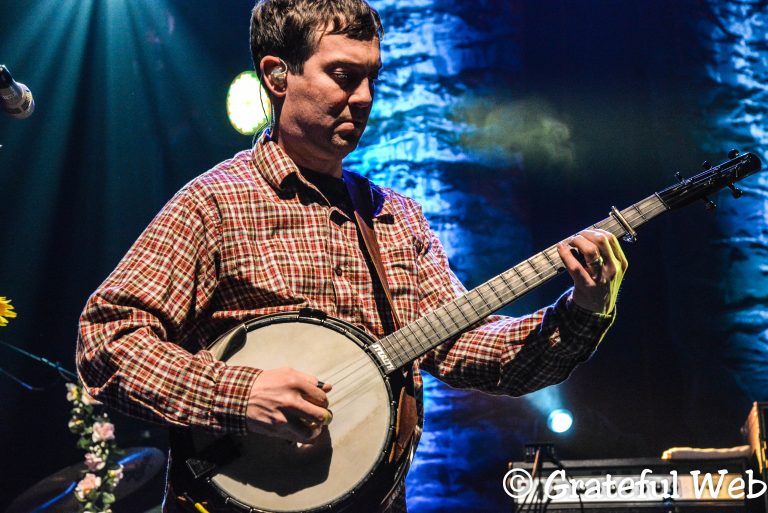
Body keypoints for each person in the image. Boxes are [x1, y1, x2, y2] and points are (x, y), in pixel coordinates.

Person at [76, 0, 628, 511]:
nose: (363, 97)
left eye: (372, 78)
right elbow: (105, 339)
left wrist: (584, 308)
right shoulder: (214, 203)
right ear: (276, 74)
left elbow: (472, 350)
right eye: (343, 75)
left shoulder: (395, 217)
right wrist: (237, 394)